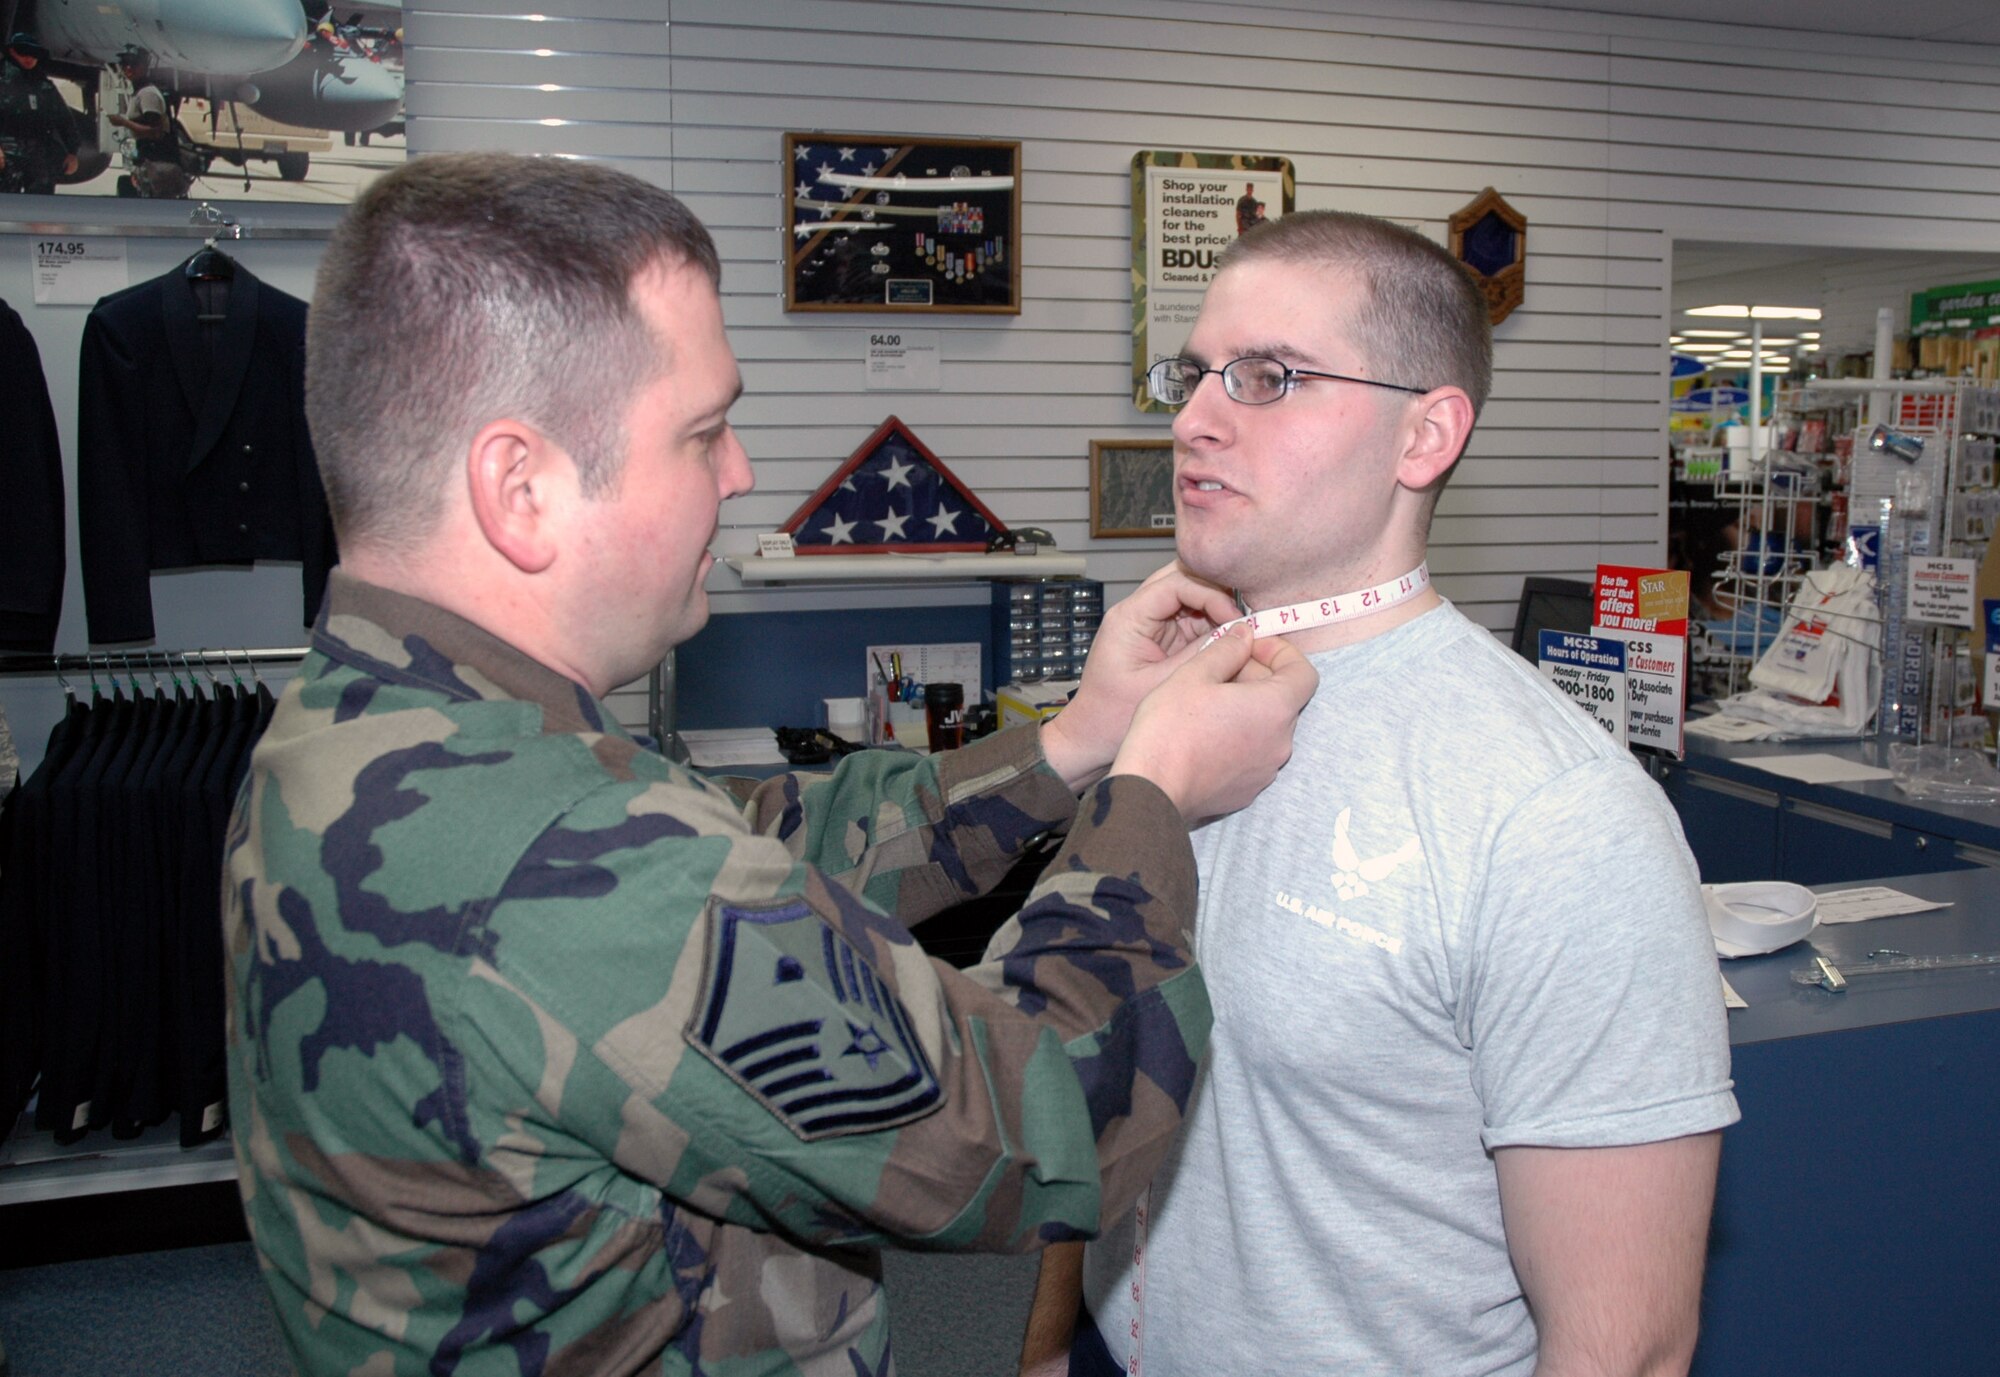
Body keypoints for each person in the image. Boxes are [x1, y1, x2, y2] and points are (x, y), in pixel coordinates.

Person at [222, 152, 1316, 1376]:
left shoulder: (377, 724)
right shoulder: (553, 860)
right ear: (519, 488)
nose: (739, 472)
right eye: (702, 434)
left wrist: (1072, 744)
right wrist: (1151, 796)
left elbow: (747, 838)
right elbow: (1041, 1124)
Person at [1021, 211, 1739, 1376]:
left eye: (1268, 377)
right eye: (1192, 375)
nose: (1191, 419)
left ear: (1424, 435)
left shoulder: (1555, 816)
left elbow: (1627, 1345)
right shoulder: (1165, 715)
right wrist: (1043, 1349)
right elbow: (1081, 1086)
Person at [0, 33, 78, 194]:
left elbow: (63, 119)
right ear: (12, 52)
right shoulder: (3, 81)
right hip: (7, 155)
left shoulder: (43, 85)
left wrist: (72, 152)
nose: (29, 58)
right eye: (23, 52)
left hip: (40, 157)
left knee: (41, 201)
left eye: (34, 54)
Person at [106, 51, 190, 199]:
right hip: (150, 163)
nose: (128, 68)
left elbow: (154, 132)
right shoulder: (140, 91)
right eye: (124, 64)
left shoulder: (148, 94)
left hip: (159, 166)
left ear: (144, 67)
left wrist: (123, 122)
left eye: (134, 64)